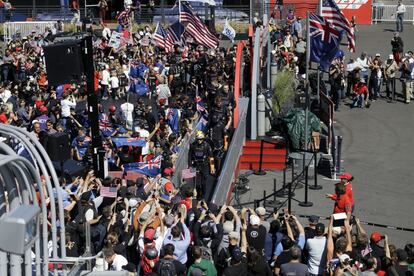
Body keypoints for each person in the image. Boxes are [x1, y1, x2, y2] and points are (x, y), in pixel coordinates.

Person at [188, 131, 214, 200]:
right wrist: (190, 166)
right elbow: (189, 156)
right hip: (195, 165)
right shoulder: (192, 145)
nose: (200, 141)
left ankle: (203, 195)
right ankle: (198, 195)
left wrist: (212, 167)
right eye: (198, 139)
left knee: (203, 182)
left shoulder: (207, 145)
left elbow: (211, 157)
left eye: (201, 139)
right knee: (196, 182)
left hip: (204, 165)